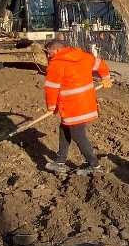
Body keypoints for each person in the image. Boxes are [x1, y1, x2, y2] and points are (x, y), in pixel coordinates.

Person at [43, 40, 112, 175]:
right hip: (86, 104)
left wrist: (51, 106)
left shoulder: (56, 64)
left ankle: (95, 166)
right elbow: (100, 64)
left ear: (56, 51)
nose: (48, 56)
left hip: (72, 108)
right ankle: (60, 161)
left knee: (78, 135)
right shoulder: (84, 56)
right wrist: (106, 76)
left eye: (48, 53)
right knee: (64, 129)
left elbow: (51, 88)